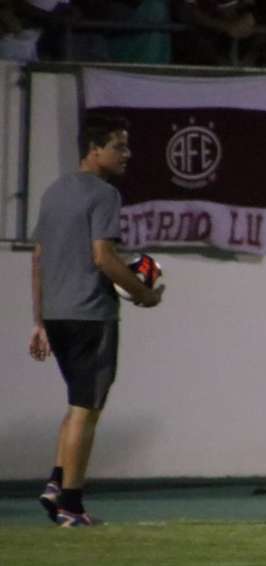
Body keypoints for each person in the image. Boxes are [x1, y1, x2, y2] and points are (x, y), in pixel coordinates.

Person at [30, 114, 164, 528]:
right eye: (119, 146)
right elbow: (103, 258)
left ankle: (56, 484)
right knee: (87, 410)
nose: (127, 155)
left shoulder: (54, 191)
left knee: (76, 404)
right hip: (91, 314)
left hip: (57, 314)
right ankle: (71, 504)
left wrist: (39, 321)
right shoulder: (105, 194)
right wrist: (144, 293)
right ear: (94, 149)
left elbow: (38, 258)